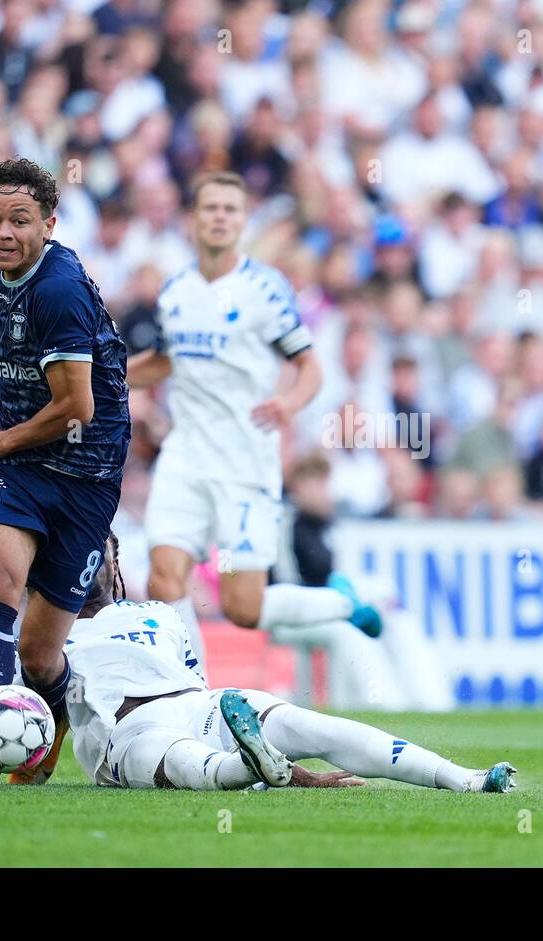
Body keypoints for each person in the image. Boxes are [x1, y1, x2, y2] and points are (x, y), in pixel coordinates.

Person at [0, 534, 517, 795]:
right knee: (189, 765)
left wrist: (308, 774)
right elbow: (8, 751)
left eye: (97, 553)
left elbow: (201, 688)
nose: (89, 567)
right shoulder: (46, 642)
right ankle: (259, 766)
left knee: (321, 725)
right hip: (129, 733)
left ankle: (464, 778)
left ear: (113, 559)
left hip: (204, 703)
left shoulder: (162, 615)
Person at [127, 171, 381, 658]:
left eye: (230, 209)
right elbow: (164, 361)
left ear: (242, 222)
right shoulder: (175, 291)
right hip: (185, 455)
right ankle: (193, 699)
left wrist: (289, 403)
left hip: (245, 461)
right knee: (163, 579)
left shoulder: (266, 290)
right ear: (192, 219)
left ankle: (342, 603)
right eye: (210, 208)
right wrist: (108, 372)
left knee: (244, 607)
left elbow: (309, 365)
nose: (220, 217)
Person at [0, 158, 130, 788]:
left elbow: (79, 407)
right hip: (26, 465)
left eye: (19, 221)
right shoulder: (10, 273)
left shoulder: (56, 289)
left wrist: (1, 439)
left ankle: (41, 755)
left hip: (86, 468)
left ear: (49, 223)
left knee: (38, 654)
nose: (3, 232)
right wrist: (9, 445)